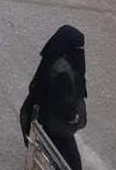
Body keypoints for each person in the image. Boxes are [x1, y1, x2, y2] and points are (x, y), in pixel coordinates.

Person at [20, 25, 87, 170]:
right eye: (79, 47)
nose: (81, 51)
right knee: (72, 162)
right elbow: (64, 104)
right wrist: (73, 117)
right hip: (57, 125)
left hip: (43, 115)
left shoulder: (52, 57)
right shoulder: (63, 71)